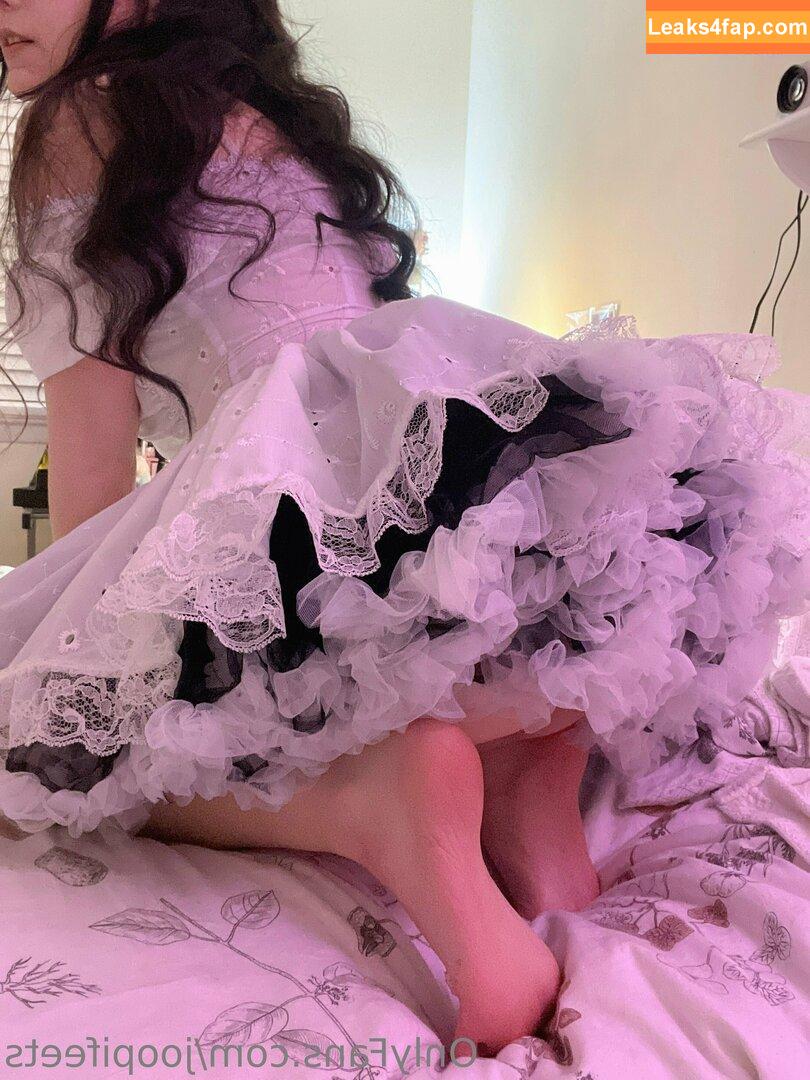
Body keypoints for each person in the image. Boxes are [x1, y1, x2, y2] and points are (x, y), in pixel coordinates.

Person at [0, 0, 808, 1056]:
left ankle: (372, 799)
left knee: (50, 748)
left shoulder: (75, 116)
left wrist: (70, 687)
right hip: (446, 469)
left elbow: (94, 470)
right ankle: (525, 760)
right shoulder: (272, 119)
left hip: (293, 519)